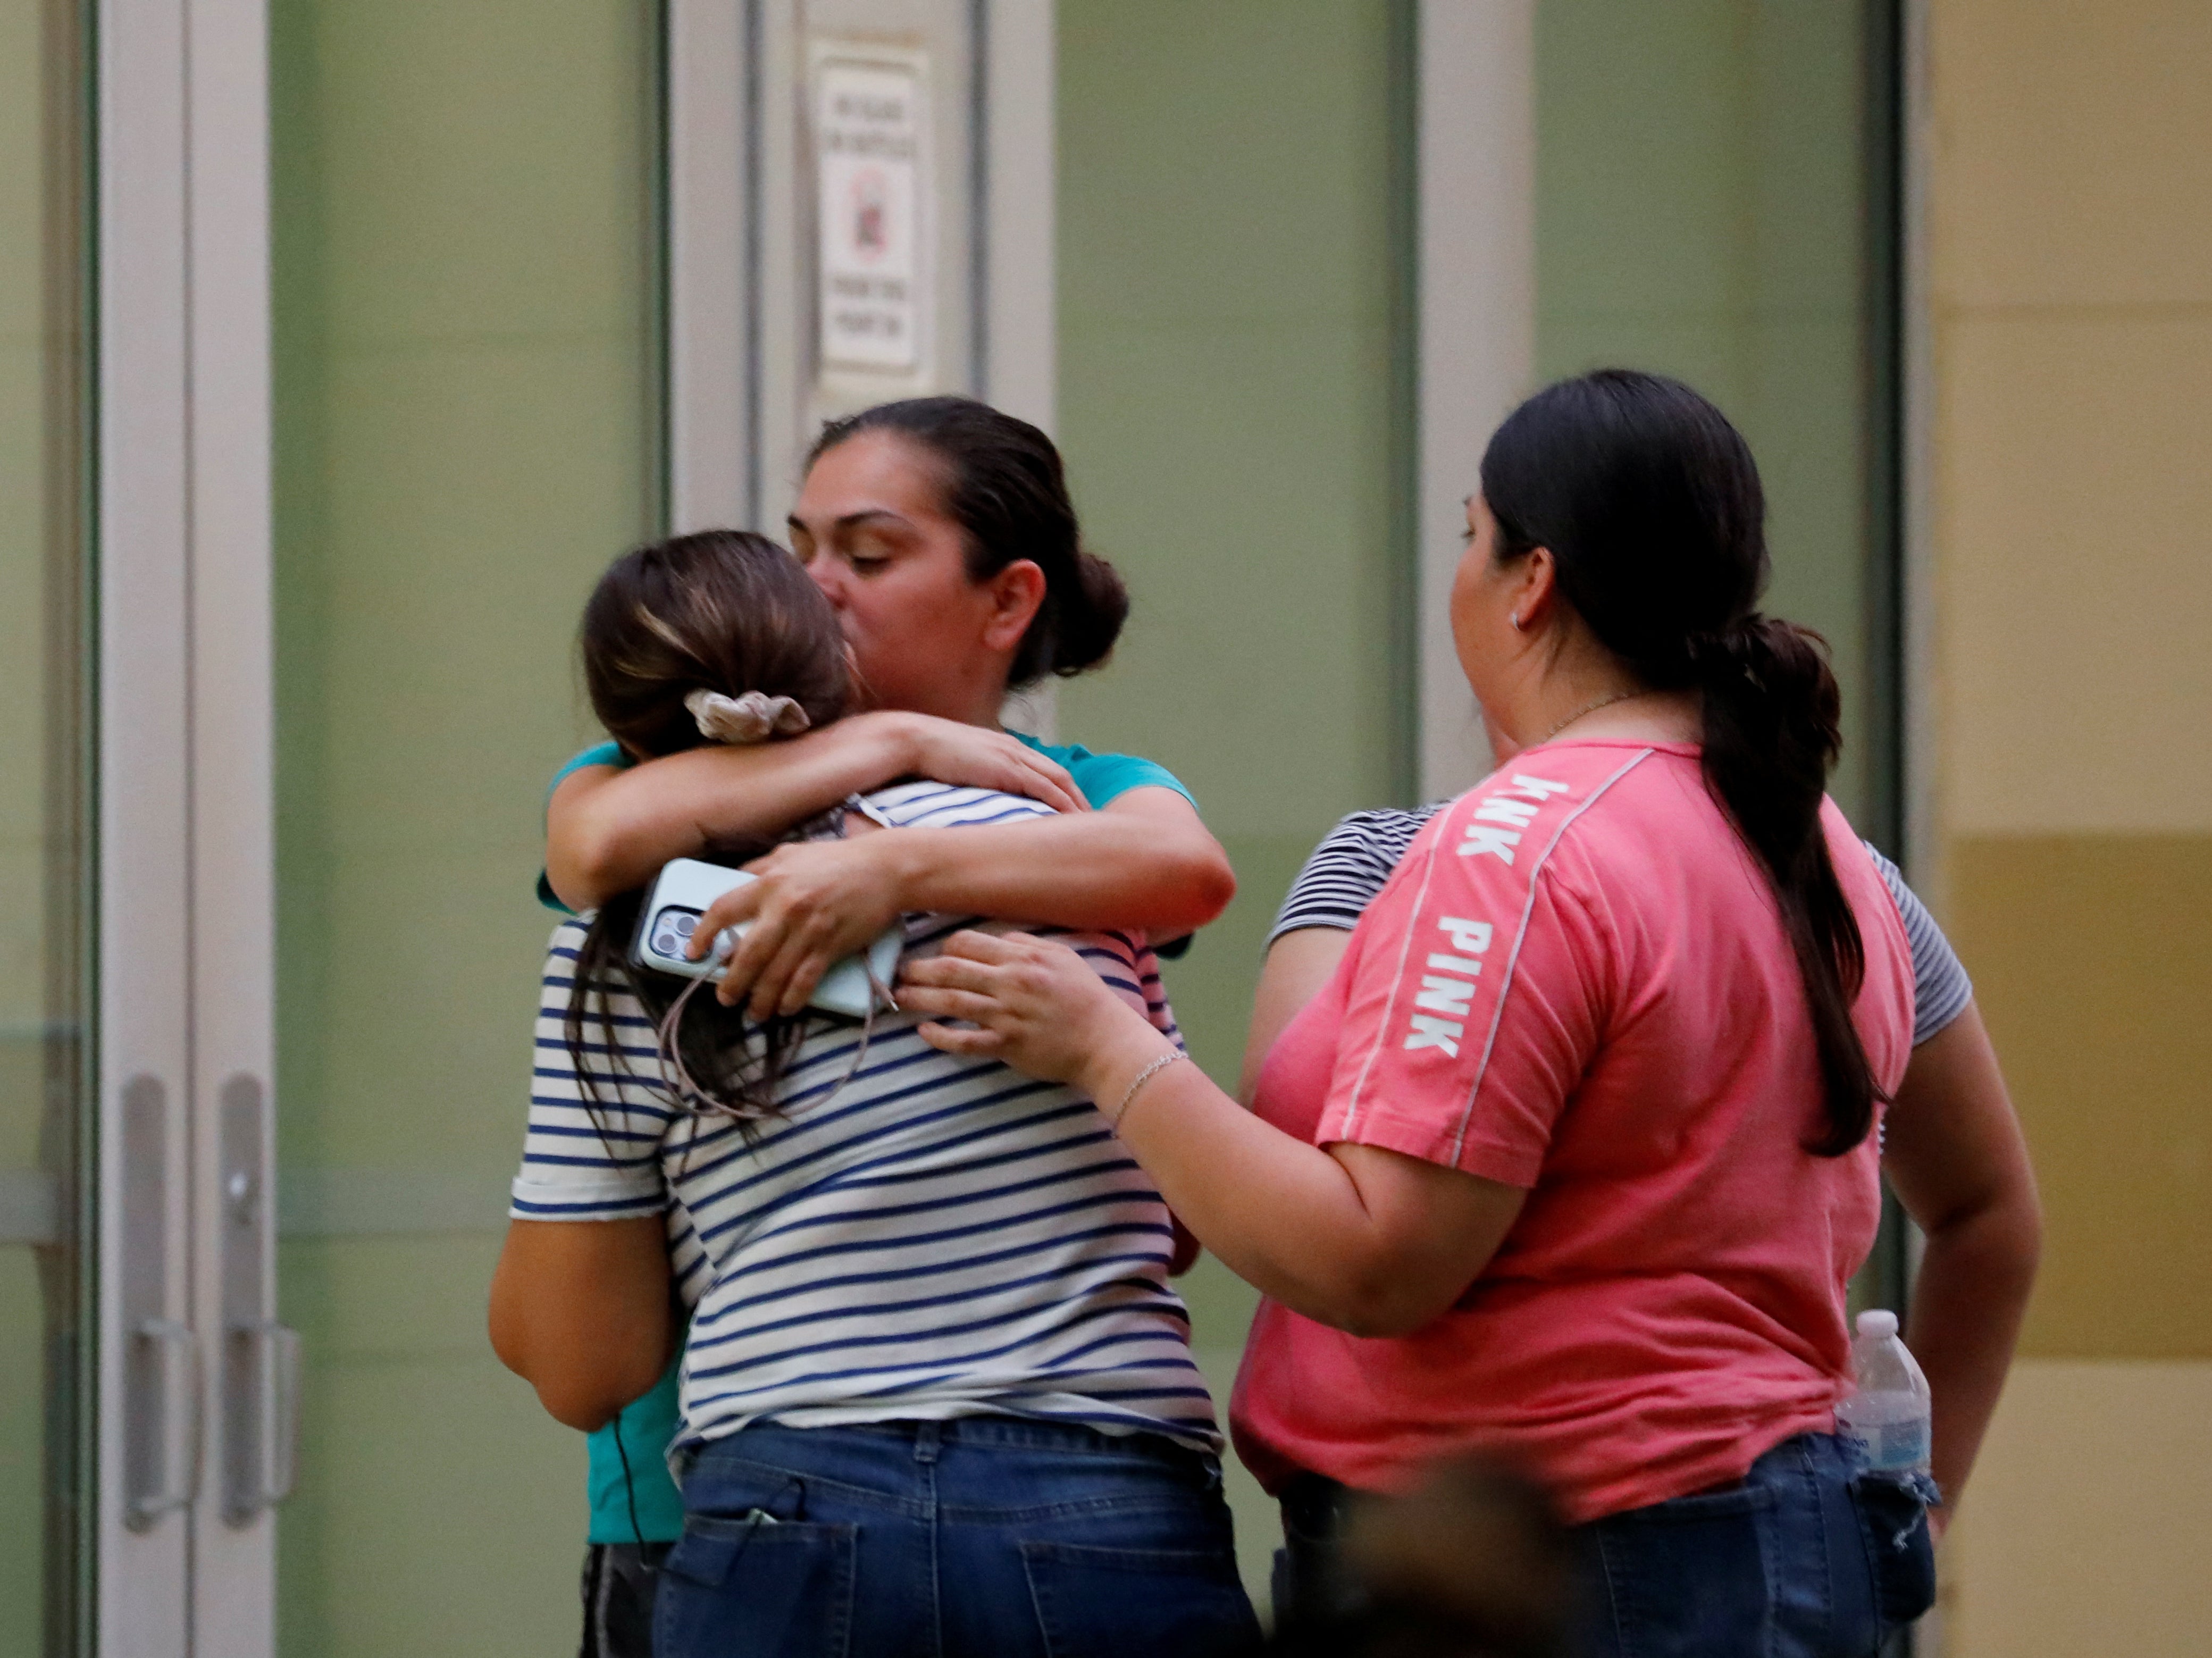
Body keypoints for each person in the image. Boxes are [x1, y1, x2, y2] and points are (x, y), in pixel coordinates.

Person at [899, 370, 2042, 1656]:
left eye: (1467, 534)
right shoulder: (1823, 850)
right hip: (1782, 1534)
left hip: (1552, 1566)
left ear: (1531, 579)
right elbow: (1993, 1210)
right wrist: (1903, 1510)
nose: (1459, 568)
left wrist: (1101, 1047)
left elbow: (1375, 1261)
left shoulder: (1520, 845)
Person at [527, 397, 1236, 1655]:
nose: (817, 586)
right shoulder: (657, 812)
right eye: (800, 547)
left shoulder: (1086, 805)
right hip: (981, 1478)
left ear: (1008, 600)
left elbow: (1185, 872)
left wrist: (893, 869)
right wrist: (901, 741)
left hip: (790, 1482)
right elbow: (585, 846)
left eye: (866, 553)